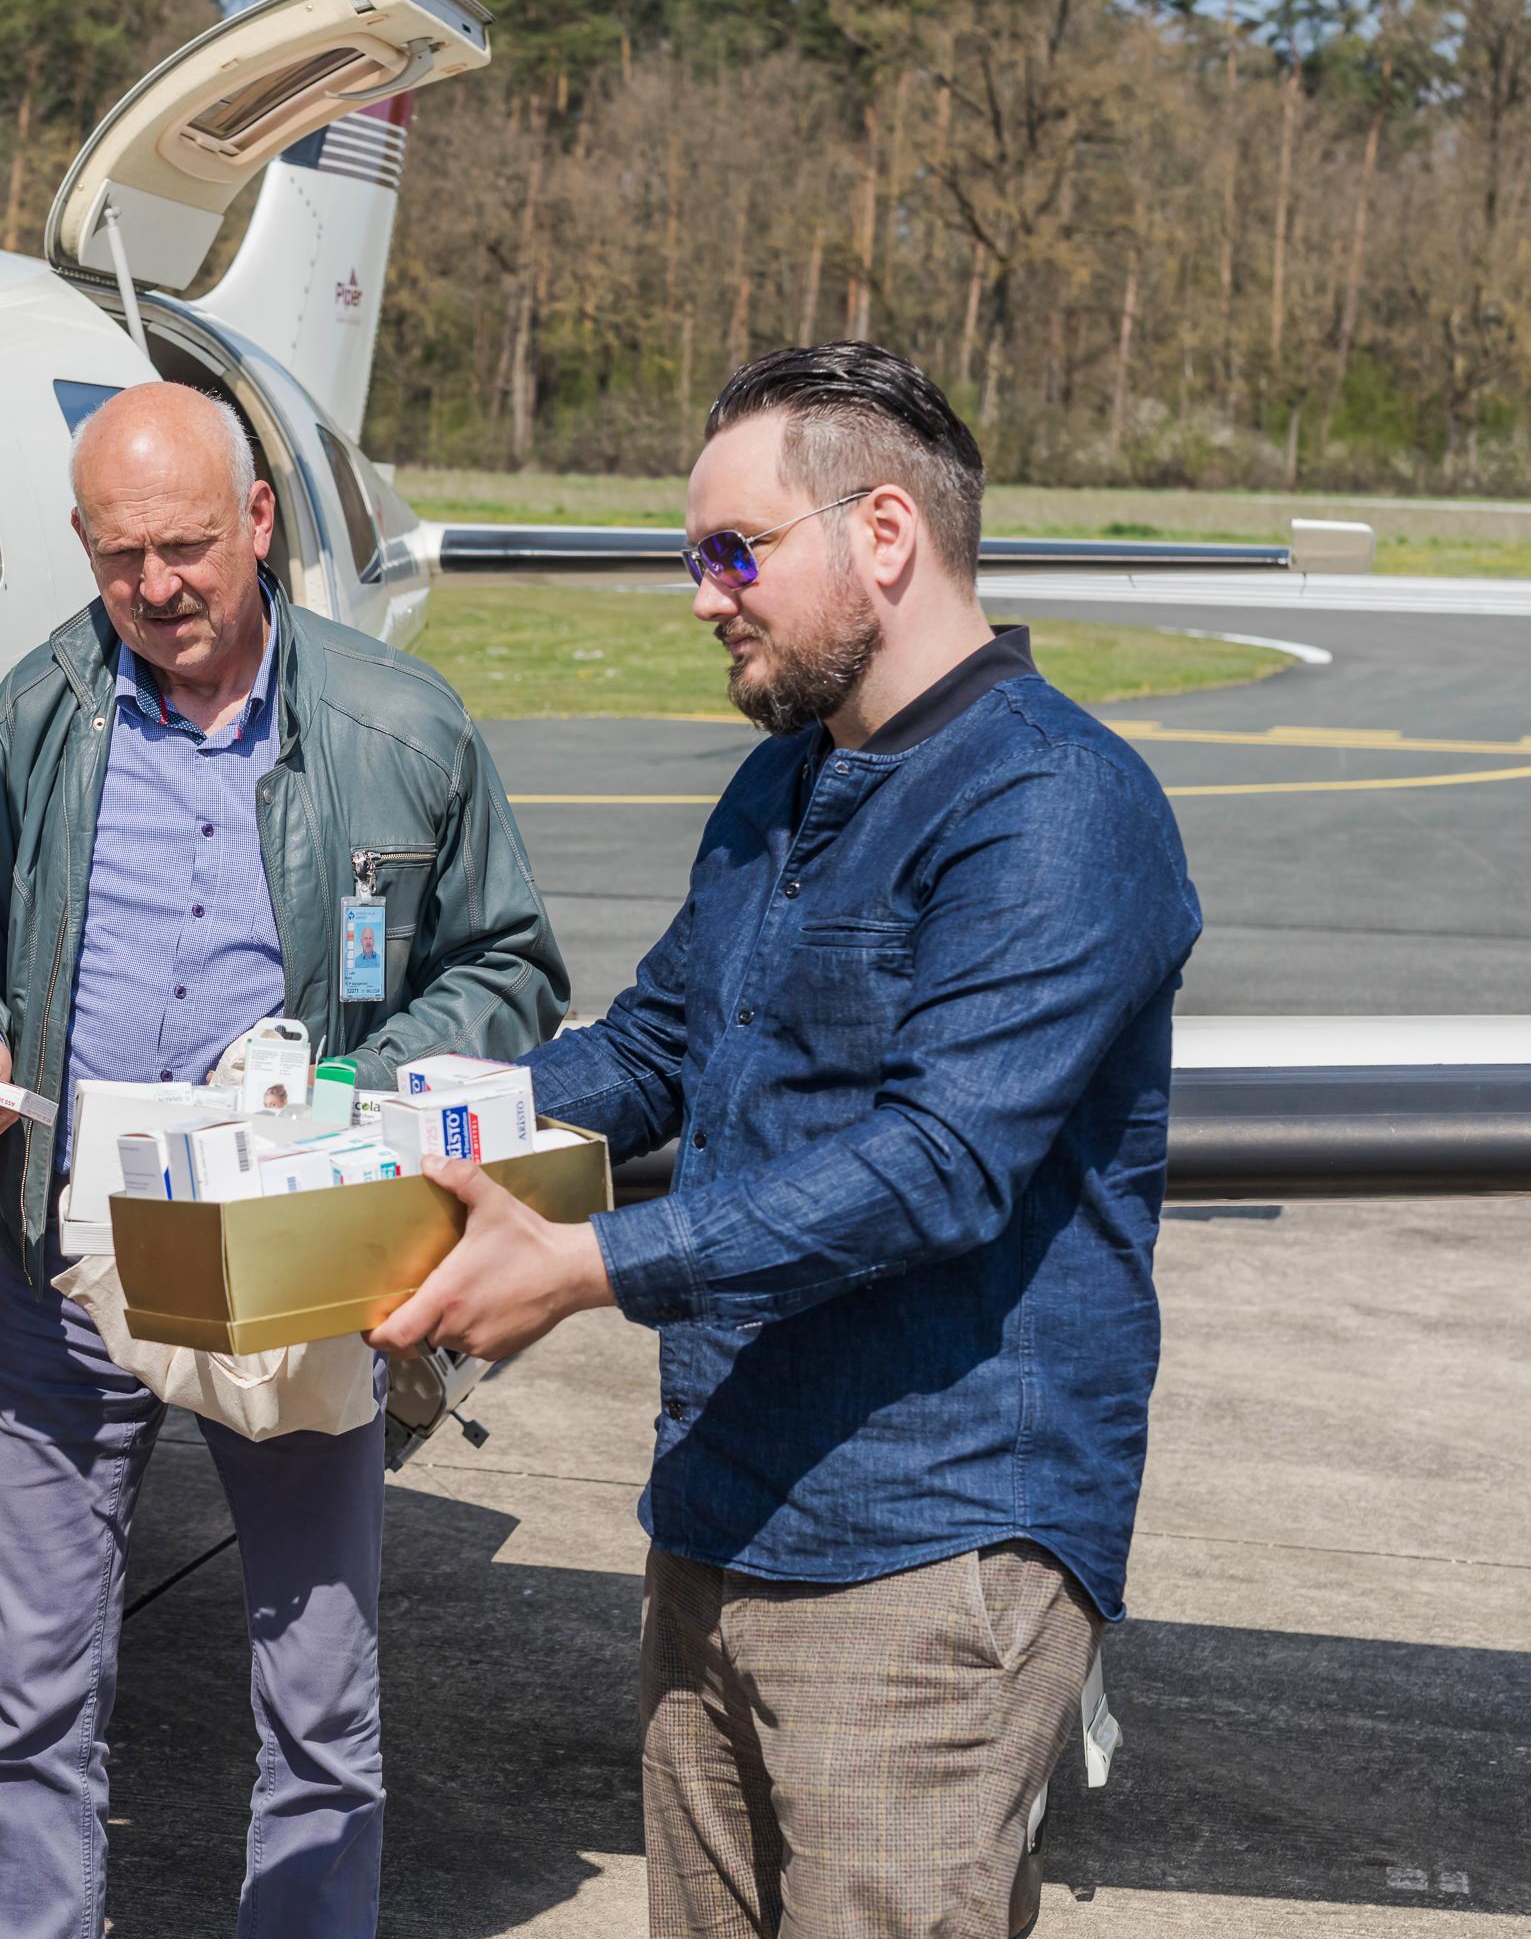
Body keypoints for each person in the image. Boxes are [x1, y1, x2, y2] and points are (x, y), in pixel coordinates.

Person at [370, 343, 1202, 1938]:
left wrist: (585, 1265)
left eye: (729, 553)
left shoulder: (1054, 806)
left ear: (882, 534)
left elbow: (940, 1160)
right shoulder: (779, 789)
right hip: (724, 1519)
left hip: (929, 1554)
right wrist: (400, 1126)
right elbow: (661, 1048)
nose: (702, 597)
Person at [0, 380, 566, 1937]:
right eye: (122, 558)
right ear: (84, 545)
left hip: (281, 1265)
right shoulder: (41, 710)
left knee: (320, 1707)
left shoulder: (401, 726)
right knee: (28, 1702)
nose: (159, 589)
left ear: (260, 521)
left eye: (189, 547)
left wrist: (345, 1083)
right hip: (69, 1268)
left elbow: (514, 967)